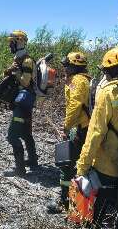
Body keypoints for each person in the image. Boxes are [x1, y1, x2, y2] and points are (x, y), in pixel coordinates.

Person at [76, 46, 118, 229]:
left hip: (107, 169)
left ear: (110, 70)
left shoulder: (108, 93)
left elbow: (94, 134)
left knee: (98, 217)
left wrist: (82, 167)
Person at [47, 51, 91, 213]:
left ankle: (64, 200)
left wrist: (66, 126)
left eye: (67, 65)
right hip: (82, 127)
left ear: (74, 66)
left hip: (79, 129)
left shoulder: (77, 81)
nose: (64, 68)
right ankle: (75, 199)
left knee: (67, 164)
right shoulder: (84, 79)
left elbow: (74, 106)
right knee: (77, 164)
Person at [3, 30, 38, 177]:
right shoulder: (17, 59)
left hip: (23, 103)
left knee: (12, 135)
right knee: (25, 132)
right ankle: (32, 160)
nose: (10, 45)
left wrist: (16, 73)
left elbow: (25, 82)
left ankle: (20, 169)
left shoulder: (27, 61)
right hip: (21, 102)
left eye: (12, 42)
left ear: (20, 42)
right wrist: (9, 71)